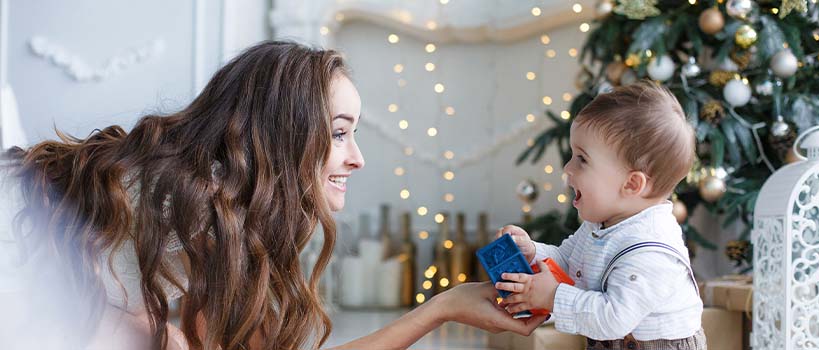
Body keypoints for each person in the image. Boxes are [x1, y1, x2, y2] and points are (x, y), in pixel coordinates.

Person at [0, 40, 545, 350]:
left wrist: (442, 308)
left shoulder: (223, 207)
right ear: (283, 133)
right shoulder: (197, 202)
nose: (356, 157)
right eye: (337, 132)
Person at [494, 81, 706, 349]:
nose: (568, 168)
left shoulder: (651, 250)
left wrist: (553, 297)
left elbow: (613, 319)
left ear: (631, 184)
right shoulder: (603, 224)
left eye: (582, 159)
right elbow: (569, 262)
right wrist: (531, 252)